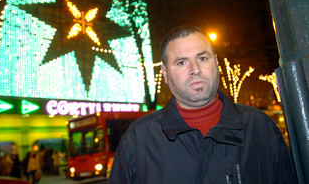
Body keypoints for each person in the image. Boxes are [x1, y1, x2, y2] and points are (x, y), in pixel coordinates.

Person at [108, 26, 298, 184]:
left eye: (202, 58)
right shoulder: (139, 139)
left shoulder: (259, 126)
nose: (195, 70)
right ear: (165, 74)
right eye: (182, 62)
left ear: (215, 63)